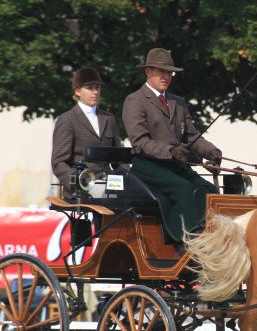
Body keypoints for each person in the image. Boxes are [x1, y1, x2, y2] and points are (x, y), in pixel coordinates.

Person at [122, 47, 222, 244]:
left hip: (176, 165)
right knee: (185, 190)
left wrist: (212, 151)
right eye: (161, 71)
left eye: (169, 72)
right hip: (148, 166)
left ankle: (210, 236)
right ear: (148, 71)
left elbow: (193, 137)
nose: (166, 76)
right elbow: (140, 142)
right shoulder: (135, 101)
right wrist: (171, 152)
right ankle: (184, 238)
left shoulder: (178, 102)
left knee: (208, 189)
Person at [52, 67, 122, 198]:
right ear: (77, 91)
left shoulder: (109, 118)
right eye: (90, 88)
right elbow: (58, 163)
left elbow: (119, 157)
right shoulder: (67, 120)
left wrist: (129, 179)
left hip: (109, 182)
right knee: (111, 197)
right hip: (83, 186)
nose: (95, 92)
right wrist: (78, 180)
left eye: (97, 87)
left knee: (136, 196)